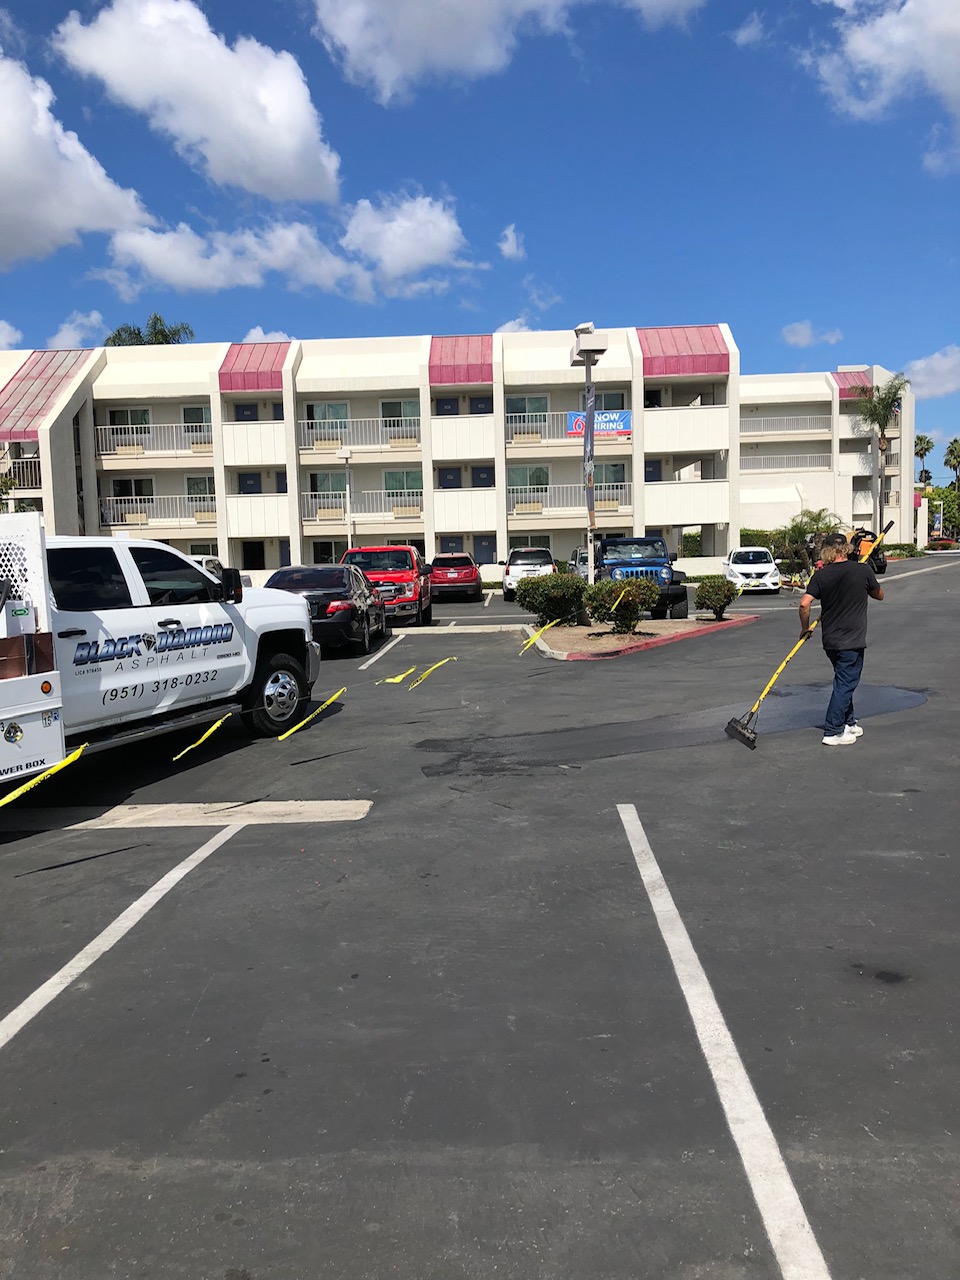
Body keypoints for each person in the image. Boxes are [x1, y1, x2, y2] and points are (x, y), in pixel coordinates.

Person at [798, 533, 884, 746]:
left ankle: (849, 722)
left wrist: (804, 628)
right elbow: (880, 594)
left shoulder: (821, 576)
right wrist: (865, 584)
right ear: (846, 549)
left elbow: (804, 604)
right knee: (846, 682)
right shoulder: (862, 570)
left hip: (831, 641)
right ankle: (833, 730)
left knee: (844, 681)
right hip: (852, 639)